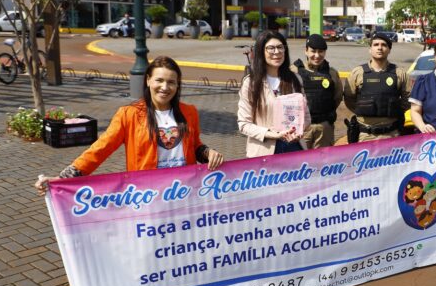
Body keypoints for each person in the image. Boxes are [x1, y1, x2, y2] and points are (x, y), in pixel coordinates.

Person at [35, 56, 223, 194]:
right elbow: (101, 149)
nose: (165, 87)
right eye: (159, 80)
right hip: (147, 194)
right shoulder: (129, 115)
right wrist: (63, 179)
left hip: (184, 191)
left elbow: (195, 146)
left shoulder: (189, 112)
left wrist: (208, 153)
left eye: (171, 82)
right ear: (148, 80)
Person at [238, 30, 311, 157]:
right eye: (270, 48)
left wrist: (298, 131)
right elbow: (244, 124)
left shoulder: (295, 79)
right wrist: (272, 134)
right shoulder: (251, 83)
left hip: (293, 148)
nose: (276, 52)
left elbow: (306, 117)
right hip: (263, 153)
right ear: (261, 51)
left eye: (280, 47)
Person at [344, 31, 411, 141]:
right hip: (364, 135)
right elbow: (349, 98)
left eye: (384, 45)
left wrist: (393, 110)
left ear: (389, 50)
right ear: (370, 49)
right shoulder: (357, 73)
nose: (380, 48)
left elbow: (408, 99)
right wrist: (363, 109)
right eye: (376, 45)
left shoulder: (400, 74)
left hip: (391, 134)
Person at [290, 33, 343, 148]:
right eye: (313, 51)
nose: (317, 55)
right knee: (299, 161)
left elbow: (337, 97)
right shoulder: (293, 71)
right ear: (306, 51)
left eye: (321, 52)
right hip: (301, 129)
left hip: (324, 128)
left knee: (323, 163)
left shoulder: (332, 73)